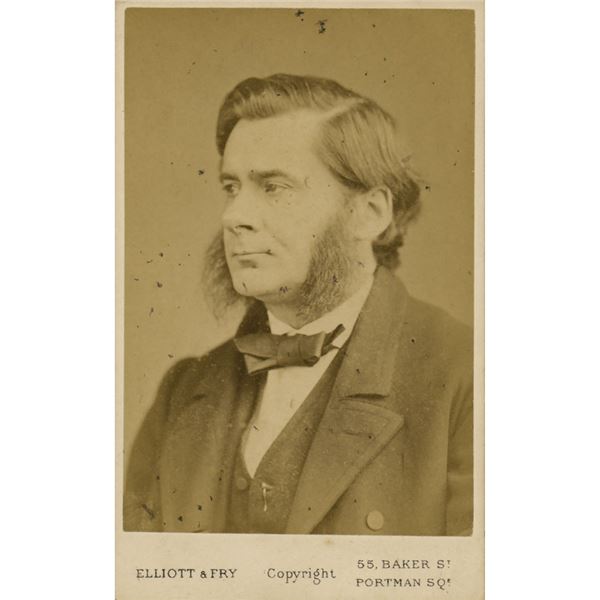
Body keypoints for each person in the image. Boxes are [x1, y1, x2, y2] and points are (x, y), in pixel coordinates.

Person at [124, 73, 473, 536]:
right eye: (232, 188)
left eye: (275, 187)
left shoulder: (466, 375)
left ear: (369, 214)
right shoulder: (184, 391)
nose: (234, 217)